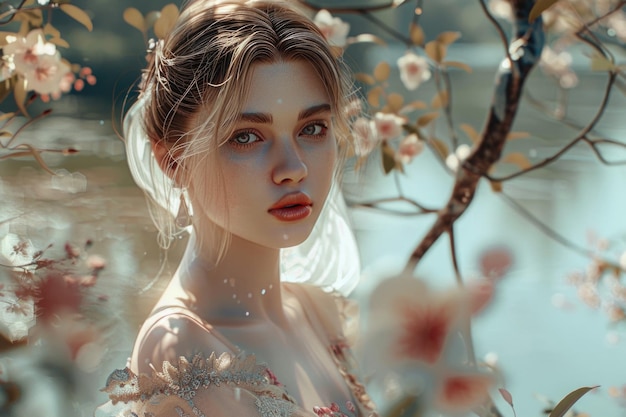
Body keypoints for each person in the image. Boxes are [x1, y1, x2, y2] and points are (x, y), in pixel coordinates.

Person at [97, 1, 376, 416]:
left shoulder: (318, 310)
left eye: (312, 129)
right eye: (247, 137)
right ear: (172, 160)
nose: (293, 169)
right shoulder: (183, 351)